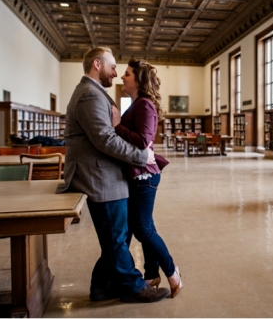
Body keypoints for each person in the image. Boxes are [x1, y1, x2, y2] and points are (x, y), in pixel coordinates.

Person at [56, 46, 170, 303]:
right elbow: (105, 139)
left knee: (116, 236)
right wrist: (143, 156)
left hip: (106, 175)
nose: (116, 73)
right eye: (112, 67)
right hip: (100, 178)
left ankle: (101, 286)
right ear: (97, 64)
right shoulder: (89, 95)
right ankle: (133, 286)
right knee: (118, 237)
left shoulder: (95, 93)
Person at [112, 58, 183, 298]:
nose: (123, 77)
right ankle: (151, 273)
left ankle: (172, 272)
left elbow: (143, 141)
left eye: (128, 74)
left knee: (142, 229)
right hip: (138, 175)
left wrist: (116, 125)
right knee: (142, 226)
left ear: (139, 81)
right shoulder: (137, 104)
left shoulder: (144, 105)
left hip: (145, 177)